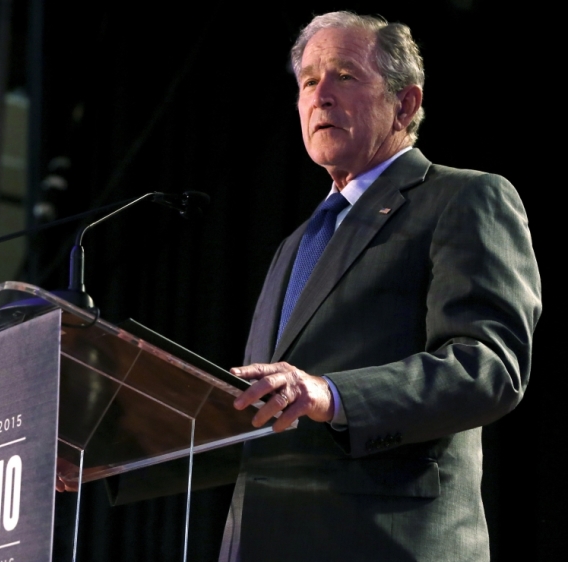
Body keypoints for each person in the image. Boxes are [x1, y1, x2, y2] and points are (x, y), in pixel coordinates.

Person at [222, 11, 541, 562]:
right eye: (308, 81)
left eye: (344, 75)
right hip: (265, 540)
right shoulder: (295, 245)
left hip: (388, 539)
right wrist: (111, 452)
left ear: (406, 103)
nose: (320, 95)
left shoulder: (464, 198)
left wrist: (332, 394)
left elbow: (489, 366)